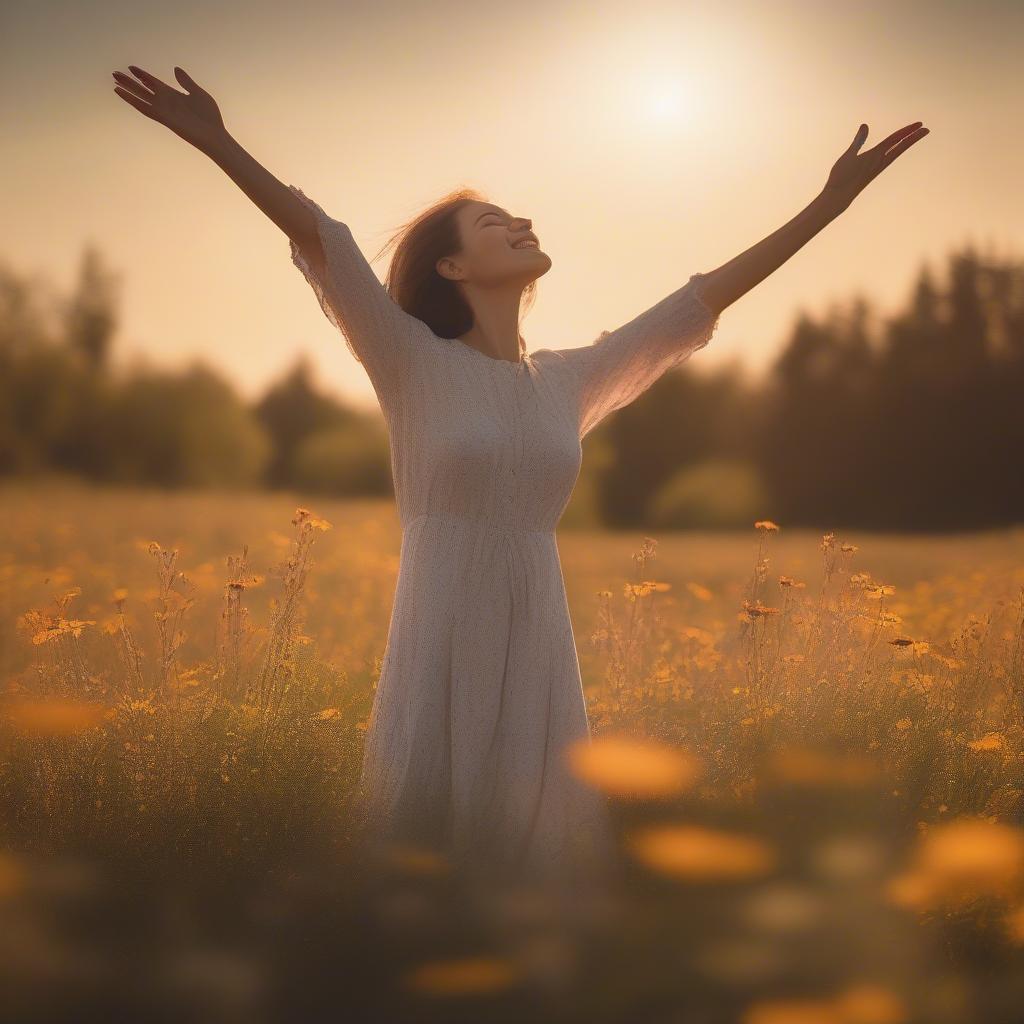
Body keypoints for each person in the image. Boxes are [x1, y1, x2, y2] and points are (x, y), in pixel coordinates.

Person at [111, 65, 929, 899]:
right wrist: (218, 144)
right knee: (428, 838)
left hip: (536, 636)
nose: (521, 223)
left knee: (534, 857)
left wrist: (829, 206)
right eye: (493, 222)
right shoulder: (411, 362)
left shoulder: (571, 379)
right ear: (454, 270)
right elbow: (325, 236)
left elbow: (702, 299)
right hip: (442, 629)